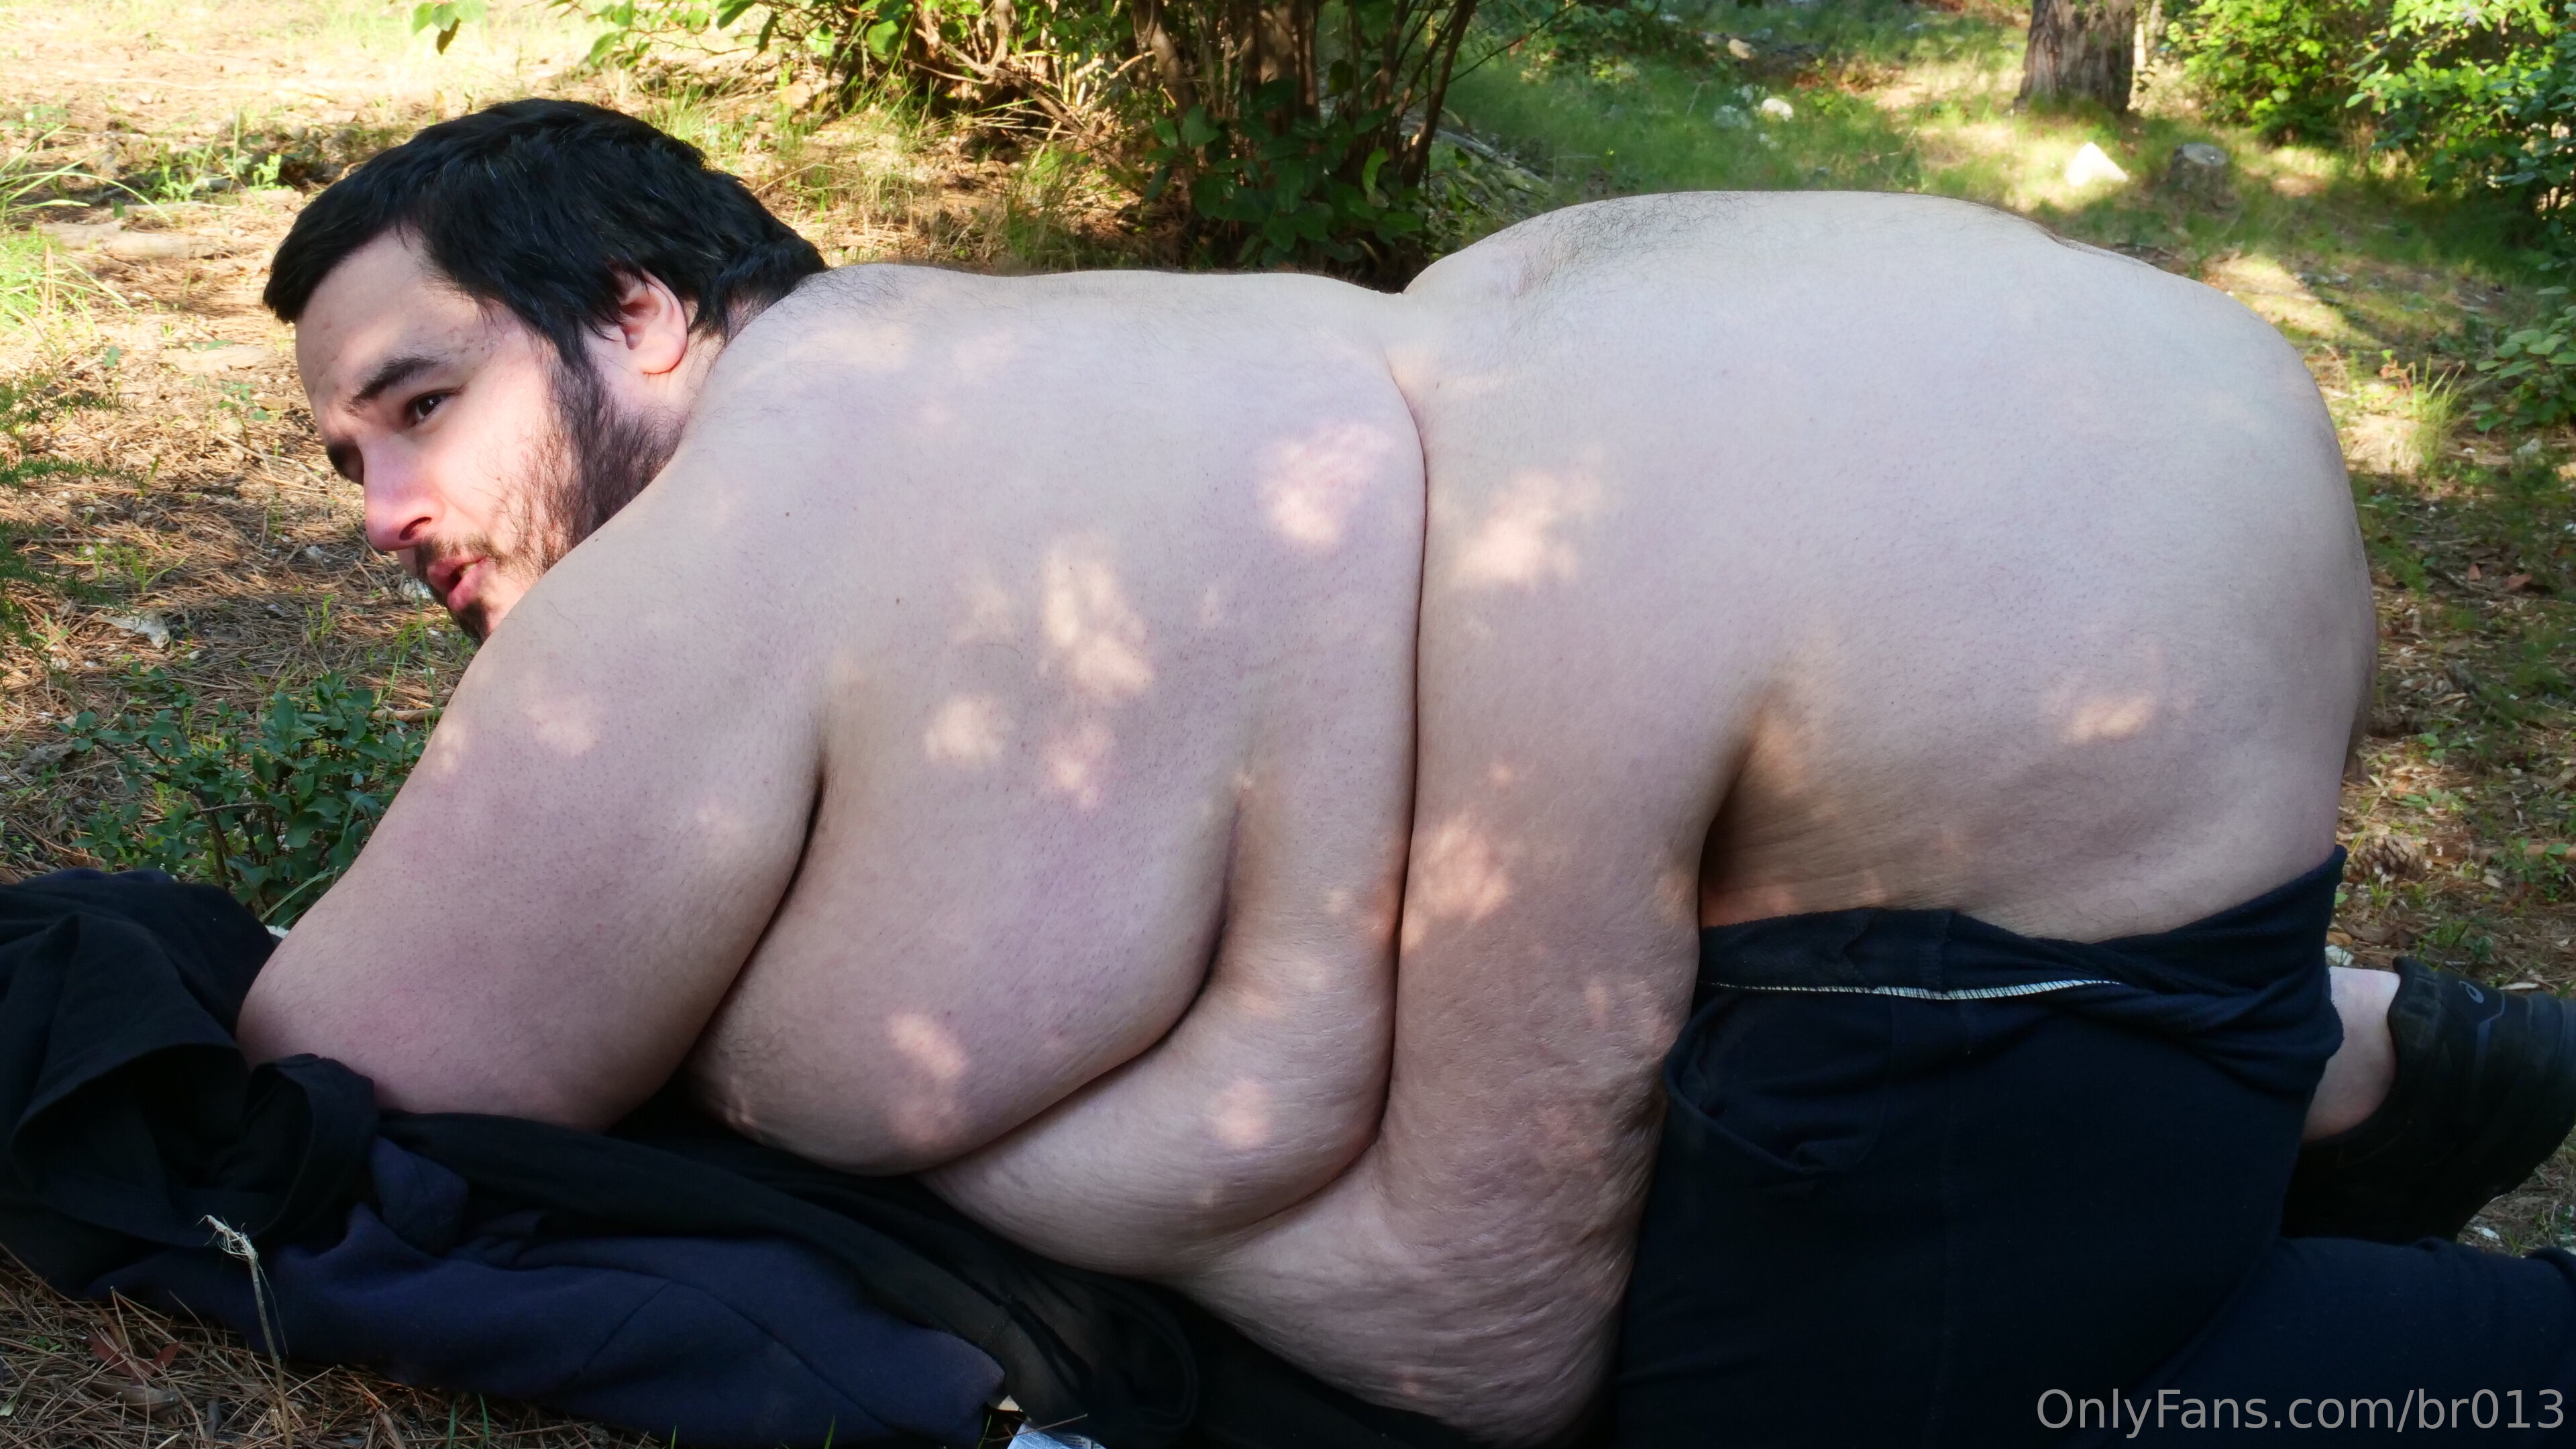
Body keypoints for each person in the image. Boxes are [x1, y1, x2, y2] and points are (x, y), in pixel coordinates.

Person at [237, 99, 2576, 1445]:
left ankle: (2338, 1224)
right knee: (1991, 1121)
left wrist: (929, 1126)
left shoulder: (762, 497)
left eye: (422, 403)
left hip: (1955, 765)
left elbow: (347, 1076)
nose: (384, 513)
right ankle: (2293, 1062)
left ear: (642, 314)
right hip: (2122, 478)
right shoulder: (1096, 362)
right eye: (346, 458)